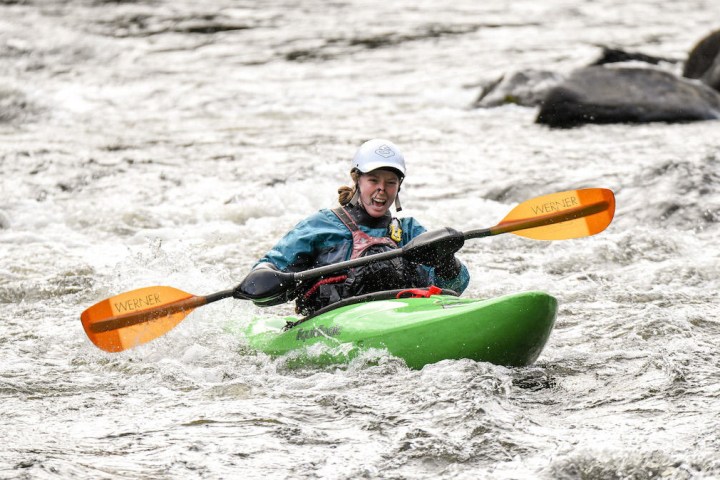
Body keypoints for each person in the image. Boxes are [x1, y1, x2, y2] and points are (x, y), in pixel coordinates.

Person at [236, 138, 470, 315]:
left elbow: (455, 287)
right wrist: (263, 275)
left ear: (399, 187)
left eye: (391, 183)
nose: (382, 189)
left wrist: (446, 262)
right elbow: (272, 268)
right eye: (373, 180)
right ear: (357, 179)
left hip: (400, 315)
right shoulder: (321, 226)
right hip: (332, 322)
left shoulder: (409, 231)